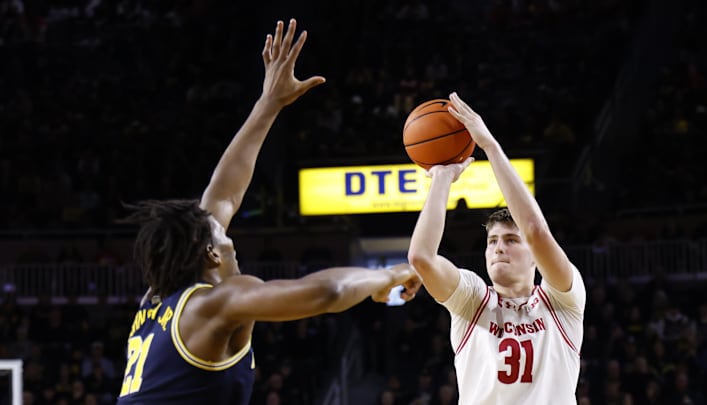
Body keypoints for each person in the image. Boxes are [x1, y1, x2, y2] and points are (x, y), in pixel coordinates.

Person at [116, 19, 421, 405]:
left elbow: (223, 193)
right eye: (219, 232)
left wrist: (269, 104)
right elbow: (327, 292)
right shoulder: (217, 302)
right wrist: (389, 273)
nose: (224, 226)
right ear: (209, 251)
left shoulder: (156, 302)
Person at [407, 92, 586, 404]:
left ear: (534, 255)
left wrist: (490, 145)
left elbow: (535, 230)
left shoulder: (562, 300)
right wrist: (442, 178)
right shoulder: (472, 299)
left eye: (511, 241)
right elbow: (422, 258)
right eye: (492, 242)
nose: (498, 248)